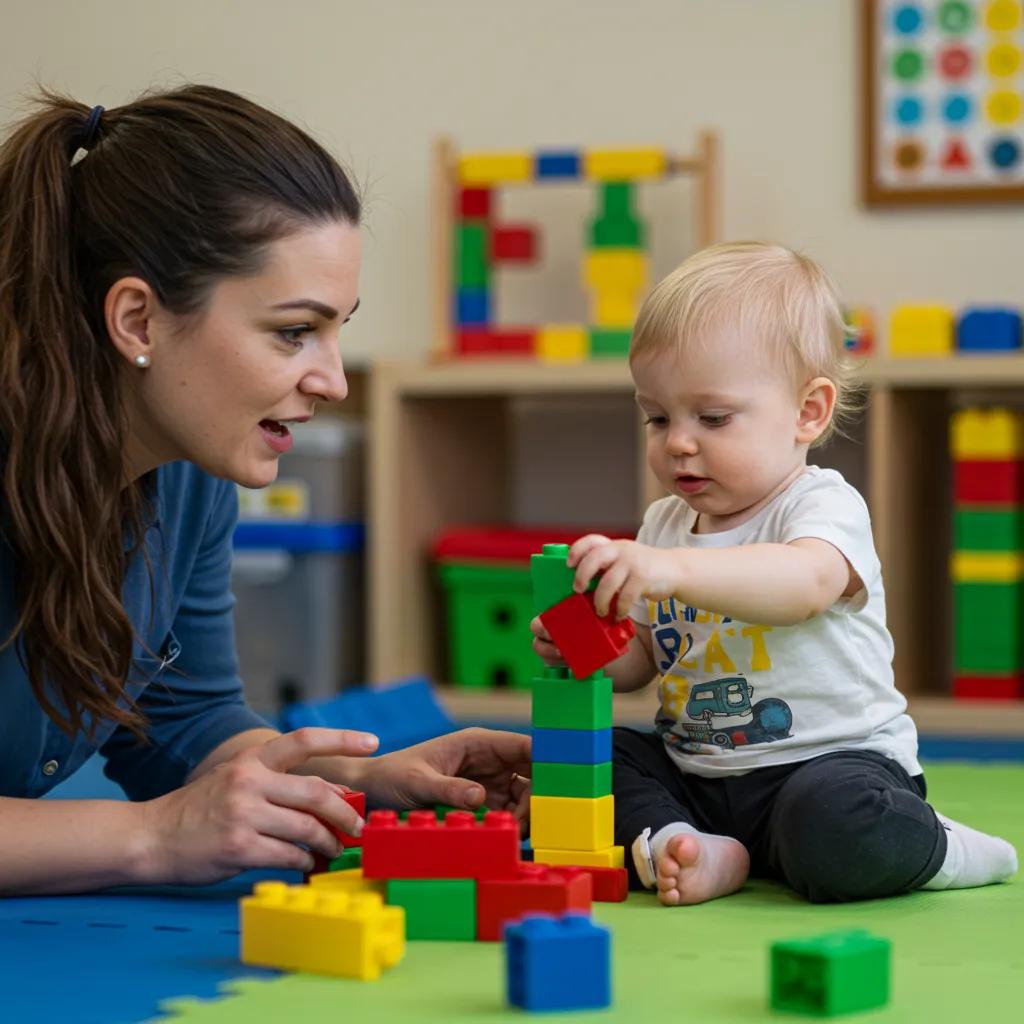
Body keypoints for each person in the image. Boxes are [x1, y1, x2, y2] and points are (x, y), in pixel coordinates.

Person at [0, 85, 529, 896]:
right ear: (138, 321)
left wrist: (360, 786)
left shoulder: (187, 476)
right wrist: (151, 836)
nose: (334, 381)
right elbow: (164, 813)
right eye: (293, 332)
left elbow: (186, 723)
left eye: (336, 329)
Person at [532, 241, 1017, 905]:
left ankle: (943, 848)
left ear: (808, 412)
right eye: (657, 415)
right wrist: (589, 648)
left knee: (836, 826)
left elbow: (803, 585)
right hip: (698, 776)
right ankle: (689, 844)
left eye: (712, 417)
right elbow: (644, 662)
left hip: (827, 770)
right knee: (590, 757)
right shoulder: (665, 525)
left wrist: (670, 570)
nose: (678, 440)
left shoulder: (820, 505)